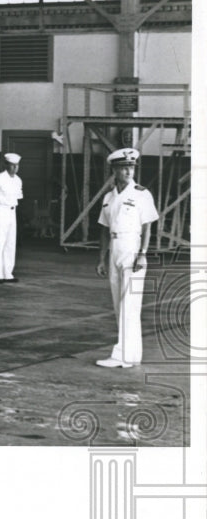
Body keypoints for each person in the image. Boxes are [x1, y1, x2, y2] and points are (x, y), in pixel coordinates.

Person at [95, 148, 158, 368]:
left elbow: (148, 226)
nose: (129, 171)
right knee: (118, 304)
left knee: (129, 304)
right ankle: (130, 355)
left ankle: (122, 355)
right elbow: (104, 229)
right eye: (124, 167)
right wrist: (102, 258)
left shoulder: (141, 193)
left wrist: (142, 254)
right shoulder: (109, 197)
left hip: (132, 248)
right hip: (115, 248)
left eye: (131, 167)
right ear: (114, 169)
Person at [0, 152, 23, 283]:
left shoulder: (18, 180)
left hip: (11, 211)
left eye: (17, 165)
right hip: (0, 209)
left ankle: (8, 273)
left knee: (10, 243)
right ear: (6, 165)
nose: (15, 168)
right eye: (12, 165)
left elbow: (18, 197)